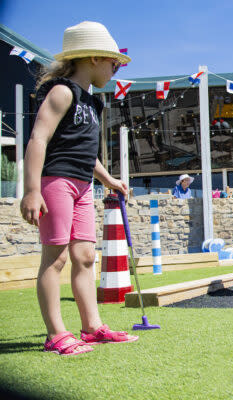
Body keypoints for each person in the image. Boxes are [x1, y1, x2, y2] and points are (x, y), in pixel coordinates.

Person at [20, 21, 138, 356]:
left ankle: (92, 327)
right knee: (55, 260)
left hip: (84, 187)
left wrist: (109, 180)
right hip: (55, 182)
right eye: (113, 62)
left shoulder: (93, 102)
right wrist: (31, 190)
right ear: (92, 58)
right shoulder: (62, 92)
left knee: (85, 256)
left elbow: (85, 154)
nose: (116, 68)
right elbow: (38, 139)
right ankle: (56, 334)